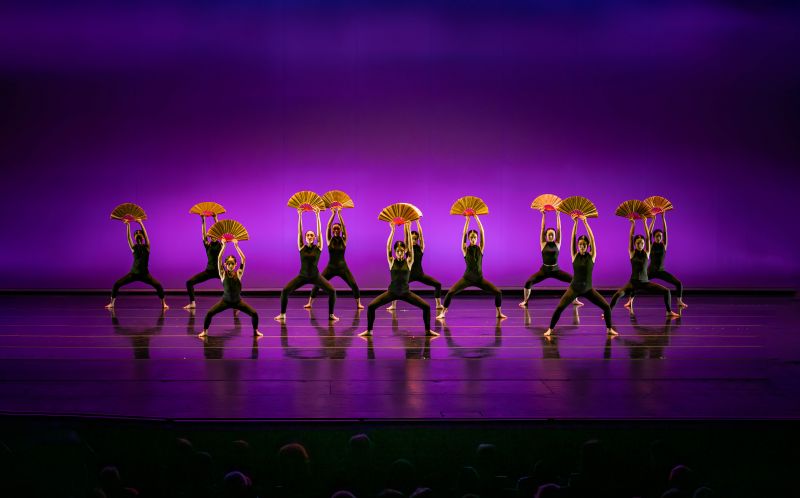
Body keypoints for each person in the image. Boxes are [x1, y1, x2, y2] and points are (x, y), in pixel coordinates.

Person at [359, 222, 437, 337]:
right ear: (395, 252)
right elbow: (388, 247)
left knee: (426, 307)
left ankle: (428, 331)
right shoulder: (391, 261)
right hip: (392, 292)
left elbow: (410, 248)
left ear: (404, 251)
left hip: (406, 293)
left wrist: (408, 229)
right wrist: (393, 231)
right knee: (371, 306)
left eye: (402, 251)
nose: (400, 253)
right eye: (398, 251)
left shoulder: (409, 261)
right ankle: (369, 331)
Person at [544, 216, 618, 336]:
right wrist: (576, 223)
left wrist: (585, 222)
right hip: (574, 288)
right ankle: (550, 329)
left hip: (588, 289)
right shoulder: (575, 255)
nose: (581, 246)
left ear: (587, 245)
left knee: (606, 307)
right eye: (580, 244)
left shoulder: (592, 256)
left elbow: (592, 239)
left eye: (584, 244)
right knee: (560, 308)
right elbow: (573, 238)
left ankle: (609, 329)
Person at [437, 214, 505, 320]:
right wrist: (467, 221)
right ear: (469, 238)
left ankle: (498, 313)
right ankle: (443, 313)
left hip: (479, 279)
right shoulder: (465, 249)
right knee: (450, 292)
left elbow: (482, 232)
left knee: (498, 292)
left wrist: (477, 218)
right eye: (471, 237)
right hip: (467, 278)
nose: (473, 239)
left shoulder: (480, 248)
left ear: (477, 238)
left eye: (475, 237)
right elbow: (464, 233)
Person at [609, 218, 681, 318]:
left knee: (667, 291)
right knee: (617, 294)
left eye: (642, 243)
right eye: (638, 243)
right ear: (635, 244)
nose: (640, 245)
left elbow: (648, 236)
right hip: (632, 283)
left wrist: (645, 222)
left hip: (645, 283)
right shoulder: (632, 253)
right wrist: (633, 225)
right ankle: (608, 312)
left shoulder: (647, 252)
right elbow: (631, 237)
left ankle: (669, 312)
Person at [275, 208, 338, 321]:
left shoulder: (318, 247)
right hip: (302, 276)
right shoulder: (301, 247)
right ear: (305, 238)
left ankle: (331, 315)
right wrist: (300, 215)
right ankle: (282, 314)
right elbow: (300, 231)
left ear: (314, 238)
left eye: (311, 235)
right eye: (308, 235)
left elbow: (320, 231)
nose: (309, 236)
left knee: (332, 291)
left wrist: (317, 215)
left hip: (315, 276)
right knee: (285, 291)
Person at [519, 210, 583, 307]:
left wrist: (558, 215)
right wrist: (544, 215)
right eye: (549, 234)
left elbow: (559, 229)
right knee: (528, 282)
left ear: (554, 236)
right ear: (546, 236)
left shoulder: (557, 244)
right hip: (544, 270)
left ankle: (575, 299)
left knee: (573, 280)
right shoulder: (543, 243)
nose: (550, 236)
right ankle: (525, 301)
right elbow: (542, 228)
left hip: (555, 270)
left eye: (552, 234)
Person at [625, 211, 687, 309]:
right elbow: (648, 234)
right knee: (637, 284)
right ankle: (630, 301)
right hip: (651, 271)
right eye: (657, 236)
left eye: (660, 236)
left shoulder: (664, 245)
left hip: (661, 271)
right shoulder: (650, 245)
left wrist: (663, 218)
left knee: (678, 283)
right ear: (654, 237)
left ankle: (679, 301)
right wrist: (653, 220)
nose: (659, 237)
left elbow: (665, 230)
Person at [199, 240, 262, 337]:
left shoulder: (239, 273)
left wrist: (236, 246)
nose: (230, 265)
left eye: (232, 263)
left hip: (237, 301)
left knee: (254, 314)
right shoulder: (222, 274)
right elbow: (219, 259)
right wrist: (223, 246)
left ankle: (255, 331)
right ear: (225, 264)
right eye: (228, 263)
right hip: (225, 301)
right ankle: (205, 331)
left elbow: (243, 259)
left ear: (235, 264)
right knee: (209, 313)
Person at [306, 209, 364, 309]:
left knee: (353, 284)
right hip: (331, 267)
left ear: (340, 230)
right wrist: (333, 214)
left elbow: (344, 226)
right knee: (318, 283)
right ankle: (309, 303)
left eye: (338, 229)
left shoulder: (344, 240)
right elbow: (328, 226)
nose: (336, 230)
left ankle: (358, 303)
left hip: (343, 268)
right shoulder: (329, 240)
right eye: (334, 229)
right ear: (332, 231)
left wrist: (339, 214)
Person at [105, 219, 167, 309]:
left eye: (140, 234)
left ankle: (164, 304)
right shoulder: (133, 248)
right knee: (117, 284)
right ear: (135, 238)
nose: (138, 235)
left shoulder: (147, 247)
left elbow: (146, 235)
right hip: (133, 274)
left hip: (145, 274)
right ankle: (112, 304)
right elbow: (128, 238)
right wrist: (128, 225)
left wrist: (141, 223)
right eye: (136, 234)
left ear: (142, 237)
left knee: (158, 285)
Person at [387, 220, 443, 311]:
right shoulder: (407, 249)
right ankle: (393, 305)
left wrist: (417, 222)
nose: (413, 240)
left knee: (438, 284)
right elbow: (406, 236)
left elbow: (421, 235)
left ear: (417, 239)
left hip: (420, 274)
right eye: (412, 239)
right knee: (396, 285)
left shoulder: (421, 248)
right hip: (409, 275)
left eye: (415, 239)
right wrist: (406, 226)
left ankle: (438, 304)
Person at [184, 213, 224, 309]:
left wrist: (215, 218)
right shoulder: (207, 245)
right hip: (209, 271)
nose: (213, 236)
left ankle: (236, 305)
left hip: (220, 271)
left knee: (233, 284)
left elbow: (220, 231)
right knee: (189, 282)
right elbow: (203, 234)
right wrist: (203, 219)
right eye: (211, 235)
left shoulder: (221, 244)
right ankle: (192, 303)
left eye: (215, 234)